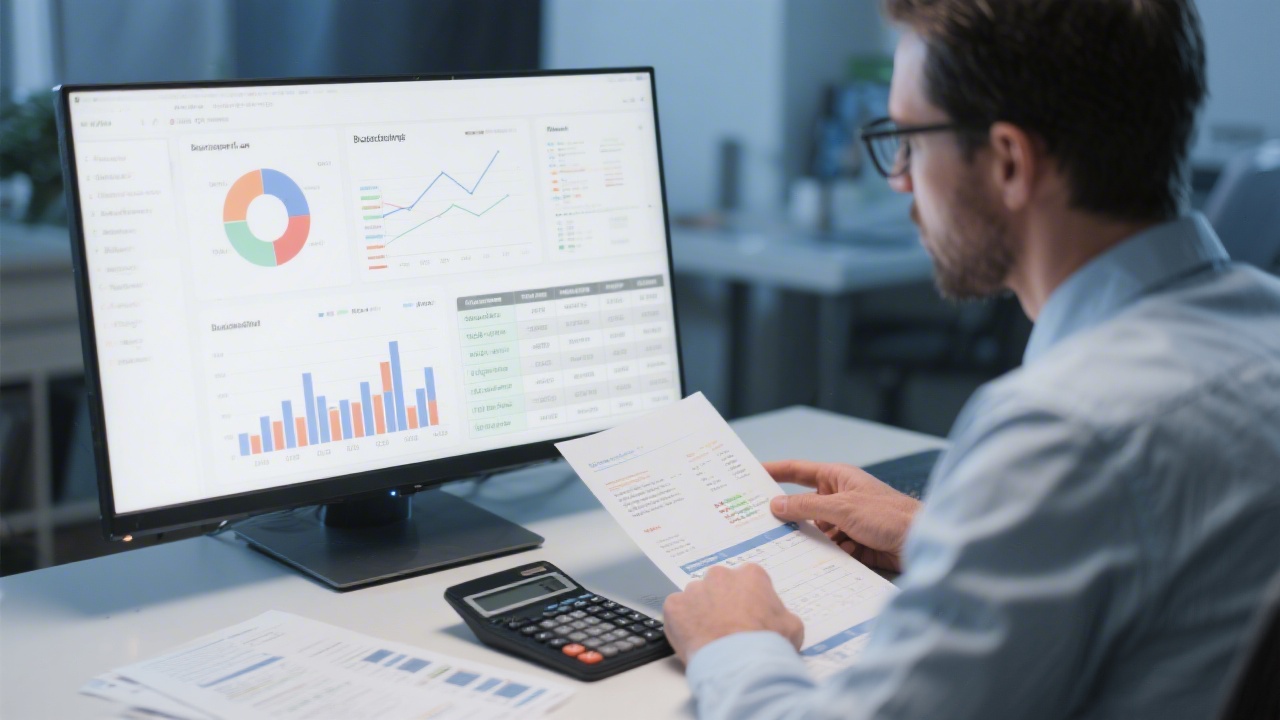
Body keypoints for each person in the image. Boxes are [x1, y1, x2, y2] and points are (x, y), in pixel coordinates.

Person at [661, 1, 1280, 718]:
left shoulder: (1064, 429)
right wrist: (946, 535)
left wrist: (734, 642)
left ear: (1009, 161)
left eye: (909, 140)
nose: (899, 179)